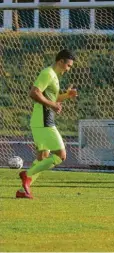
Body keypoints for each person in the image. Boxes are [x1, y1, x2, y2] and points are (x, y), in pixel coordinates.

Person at [17, 49, 77, 199]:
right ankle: (27, 174)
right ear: (60, 61)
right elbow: (34, 93)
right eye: (68, 65)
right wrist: (53, 105)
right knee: (61, 155)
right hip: (43, 121)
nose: (68, 69)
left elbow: (52, 98)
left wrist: (66, 96)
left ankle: (23, 191)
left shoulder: (54, 77)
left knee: (42, 158)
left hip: (42, 120)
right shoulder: (47, 74)